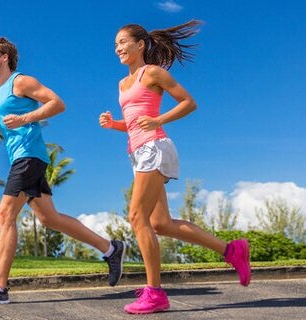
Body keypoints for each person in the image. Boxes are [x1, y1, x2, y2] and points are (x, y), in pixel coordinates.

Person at [99, 20, 251, 315]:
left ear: (140, 45)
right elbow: (133, 125)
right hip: (138, 152)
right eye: (115, 44)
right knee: (160, 223)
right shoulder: (123, 83)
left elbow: (188, 102)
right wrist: (114, 124)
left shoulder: (151, 72)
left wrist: (159, 120)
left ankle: (155, 293)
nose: (117, 47)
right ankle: (232, 251)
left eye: (122, 42)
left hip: (155, 148)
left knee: (136, 216)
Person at [0, 37, 126, 304]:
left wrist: (25, 117)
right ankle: (110, 249)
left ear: (4, 58)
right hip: (20, 155)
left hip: (29, 156)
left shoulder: (21, 81)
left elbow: (57, 104)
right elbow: (9, 130)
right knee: (49, 218)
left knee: (5, 214)